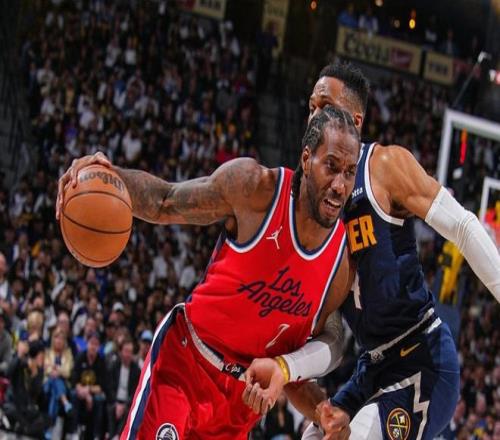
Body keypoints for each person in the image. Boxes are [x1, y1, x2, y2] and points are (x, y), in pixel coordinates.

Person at [56, 105, 360, 439]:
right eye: (331, 166)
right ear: (307, 158)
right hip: (186, 365)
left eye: (349, 172)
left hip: (239, 406)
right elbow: (165, 200)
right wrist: (107, 175)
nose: (339, 185)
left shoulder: (340, 265)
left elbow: (290, 370)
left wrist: (322, 412)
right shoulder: (255, 190)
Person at [242, 61, 500, 440]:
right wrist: (286, 367)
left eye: (325, 105)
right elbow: (332, 334)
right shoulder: (311, 205)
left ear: (355, 120)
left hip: (423, 356)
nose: (314, 115)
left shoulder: (383, 167)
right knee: (314, 436)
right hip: (371, 365)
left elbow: (462, 226)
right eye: (311, 106)